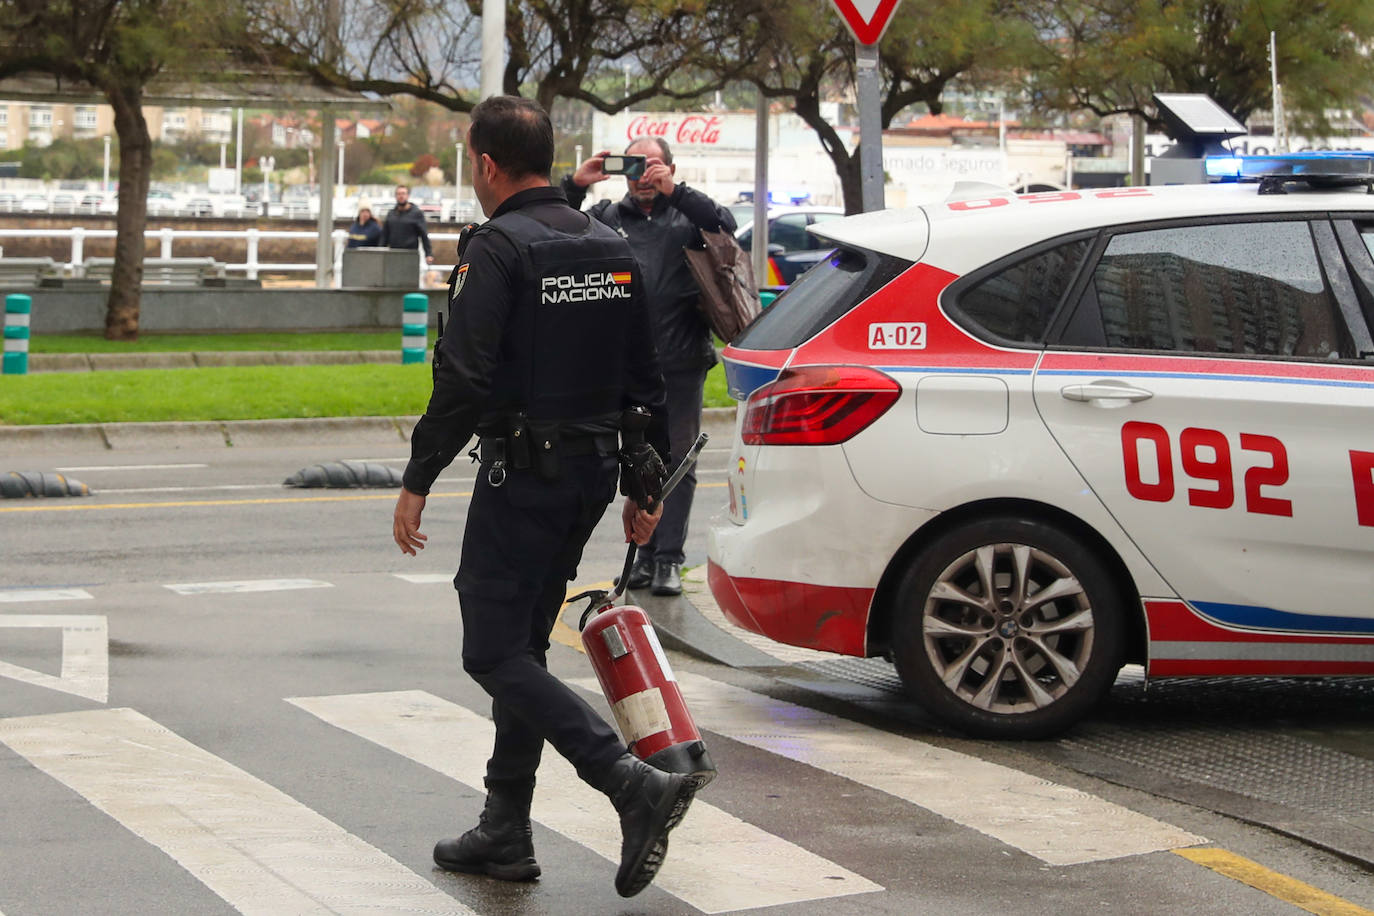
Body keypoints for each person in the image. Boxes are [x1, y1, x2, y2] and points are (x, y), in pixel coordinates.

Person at [391, 95, 696, 899]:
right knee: (522, 646)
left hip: (524, 473)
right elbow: (648, 378)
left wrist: (419, 476)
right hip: (592, 478)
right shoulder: (612, 243)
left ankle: (630, 782)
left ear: (486, 164)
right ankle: (505, 829)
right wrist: (647, 484)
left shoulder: (497, 249)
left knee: (491, 651)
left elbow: (463, 374)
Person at [563, 137, 735, 596]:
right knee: (635, 462)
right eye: (634, 166)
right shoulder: (606, 218)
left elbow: (725, 225)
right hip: (622, 365)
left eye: (652, 165)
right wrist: (575, 185)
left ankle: (668, 560)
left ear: (670, 168)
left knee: (677, 460)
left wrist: (676, 191)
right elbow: (554, 230)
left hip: (680, 361)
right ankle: (640, 558)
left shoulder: (686, 216)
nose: (642, 175)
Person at [380, 184, 434, 263]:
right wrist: (380, 251)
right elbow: (384, 235)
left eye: (403, 193)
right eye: (398, 194)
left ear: (408, 196)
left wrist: (428, 254)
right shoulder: (391, 214)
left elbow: (424, 235)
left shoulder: (416, 213)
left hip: (410, 254)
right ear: (395, 196)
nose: (401, 196)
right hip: (393, 254)